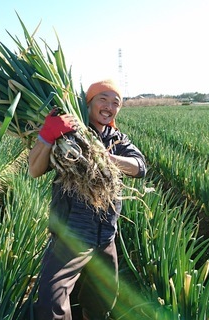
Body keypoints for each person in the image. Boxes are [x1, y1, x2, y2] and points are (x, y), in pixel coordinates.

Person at [29, 79, 146, 320]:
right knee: (51, 304)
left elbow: (140, 166)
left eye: (116, 102)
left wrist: (106, 158)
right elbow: (34, 170)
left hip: (105, 236)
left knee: (101, 302)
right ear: (89, 102)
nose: (109, 106)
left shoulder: (117, 139)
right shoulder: (69, 136)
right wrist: (48, 136)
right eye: (103, 98)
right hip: (70, 236)